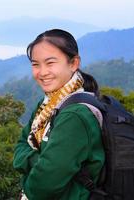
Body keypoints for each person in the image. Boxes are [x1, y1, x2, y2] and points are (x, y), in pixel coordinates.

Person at [13, 29, 105, 200]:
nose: (42, 72)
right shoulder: (48, 105)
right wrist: (39, 162)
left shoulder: (75, 115)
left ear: (73, 63)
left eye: (50, 63)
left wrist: (28, 171)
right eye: (35, 64)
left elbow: (41, 188)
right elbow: (19, 146)